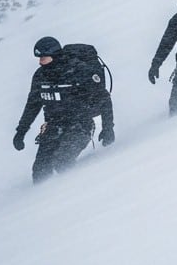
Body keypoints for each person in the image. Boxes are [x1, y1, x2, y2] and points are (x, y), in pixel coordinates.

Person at [11, 36, 115, 183]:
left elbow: (104, 98)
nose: (40, 61)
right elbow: (33, 105)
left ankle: (72, 194)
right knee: (40, 171)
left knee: (62, 161)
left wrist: (108, 128)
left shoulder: (78, 70)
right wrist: (20, 132)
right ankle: (42, 202)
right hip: (53, 126)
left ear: (54, 55)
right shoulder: (40, 76)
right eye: (39, 58)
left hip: (80, 125)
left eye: (43, 57)